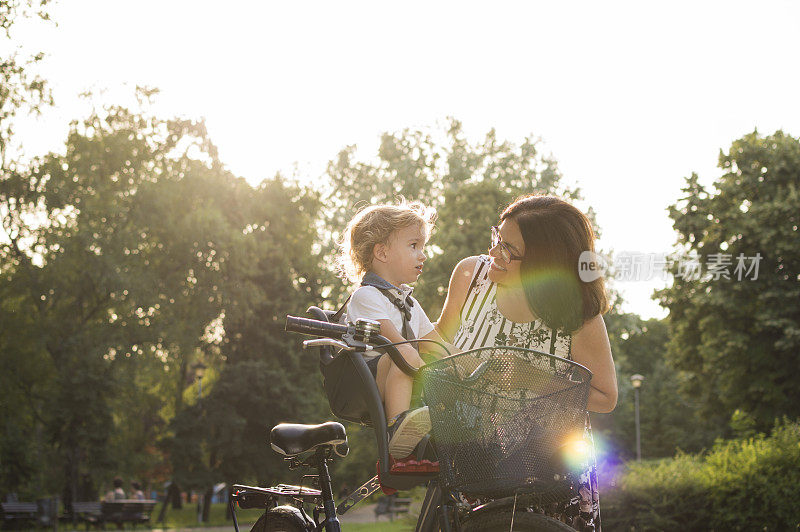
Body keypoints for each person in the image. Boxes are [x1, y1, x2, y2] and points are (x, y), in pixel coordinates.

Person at [436, 194, 617, 530]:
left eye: (508, 249)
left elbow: (606, 396)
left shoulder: (577, 314)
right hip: (473, 464)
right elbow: (436, 345)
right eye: (496, 238)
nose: (493, 253)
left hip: (551, 473)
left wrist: (534, 379)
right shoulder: (470, 277)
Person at [340, 201, 451, 459]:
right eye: (414, 246)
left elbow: (438, 346)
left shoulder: (409, 302)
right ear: (382, 253)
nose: (422, 255)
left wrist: (470, 366)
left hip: (408, 378)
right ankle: (397, 429)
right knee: (399, 355)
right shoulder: (367, 295)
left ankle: (417, 432)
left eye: (422, 247)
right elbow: (398, 345)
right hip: (372, 384)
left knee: (437, 365)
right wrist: (435, 373)